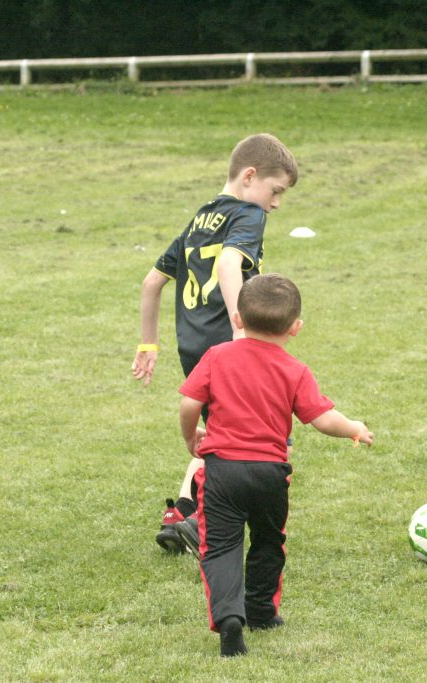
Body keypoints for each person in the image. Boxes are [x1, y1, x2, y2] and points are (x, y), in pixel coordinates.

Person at [178, 273, 373, 656]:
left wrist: (191, 436)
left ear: (237, 319)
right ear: (296, 328)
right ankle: (263, 611)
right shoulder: (295, 370)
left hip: (223, 471)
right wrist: (354, 429)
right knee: (269, 542)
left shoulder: (217, 356)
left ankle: (230, 619)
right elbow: (322, 419)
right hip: (270, 475)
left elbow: (188, 403)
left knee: (221, 547)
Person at [131, 133, 298, 555]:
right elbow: (227, 264)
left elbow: (152, 282)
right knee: (251, 439)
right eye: (275, 191)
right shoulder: (247, 214)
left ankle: (184, 513)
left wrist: (148, 345)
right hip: (226, 345)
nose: (275, 203)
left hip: (194, 347)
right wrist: (241, 333)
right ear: (249, 176)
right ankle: (199, 517)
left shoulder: (202, 217)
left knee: (222, 430)